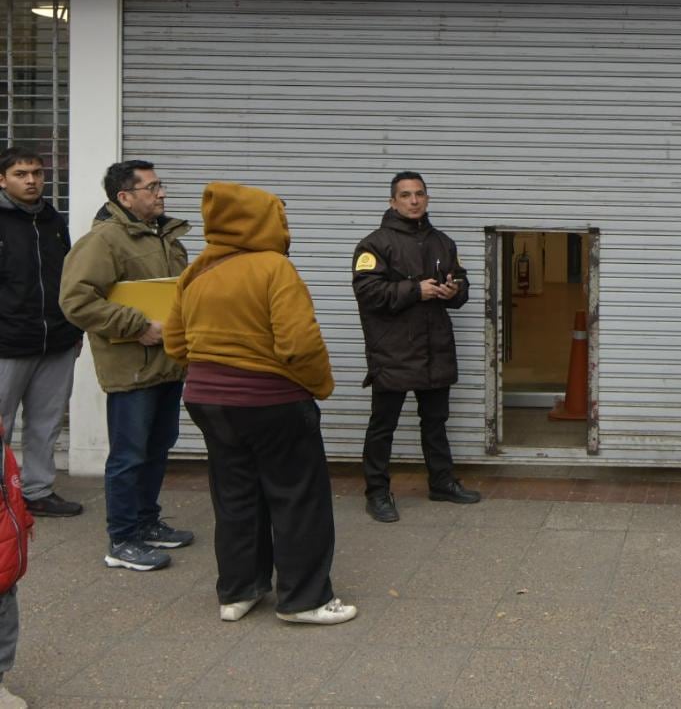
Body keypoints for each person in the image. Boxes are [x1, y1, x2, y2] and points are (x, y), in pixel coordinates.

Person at [165, 182, 356, 625]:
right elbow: (299, 344)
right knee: (297, 497)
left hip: (207, 402)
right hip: (271, 402)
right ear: (258, 221)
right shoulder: (274, 268)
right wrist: (320, 386)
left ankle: (237, 593)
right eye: (279, 217)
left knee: (234, 496)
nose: (285, 227)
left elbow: (175, 344)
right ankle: (304, 599)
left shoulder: (196, 273)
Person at [59, 160, 194, 571]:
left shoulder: (166, 236)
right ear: (125, 197)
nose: (161, 194)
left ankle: (146, 522)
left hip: (169, 362)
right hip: (132, 367)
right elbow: (76, 301)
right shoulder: (104, 241)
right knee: (129, 455)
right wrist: (137, 326)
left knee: (157, 448)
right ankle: (121, 540)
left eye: (160, 186)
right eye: (152, 188)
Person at [353, 171, 478, 523]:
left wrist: (455, 291)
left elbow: (462, 283)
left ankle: (442, 483)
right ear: (393, 201)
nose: (413, 200)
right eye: (405, 195)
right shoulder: (374, 244)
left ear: (427, 198)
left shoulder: (443, 242)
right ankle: (377, 493)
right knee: (383, 425)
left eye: (419, 194)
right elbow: (367, 292)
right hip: (392, 351)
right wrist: (415, 290)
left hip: (434, 348)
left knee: (435, 422)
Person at [0, 147, 84, 518]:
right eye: (21, 173)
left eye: (36, 172)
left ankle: (37, 491)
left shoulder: (53, 220)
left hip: (57, 342)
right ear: (2, 180)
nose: (32, 180)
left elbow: (67, 278)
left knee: (46, 423)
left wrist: (74, 329)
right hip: (7, 343)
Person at [0, 419, 35, 709]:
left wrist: (24, 520)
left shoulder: (3, 448)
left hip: (7, 555)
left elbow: (12, 492)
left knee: (5, 619)